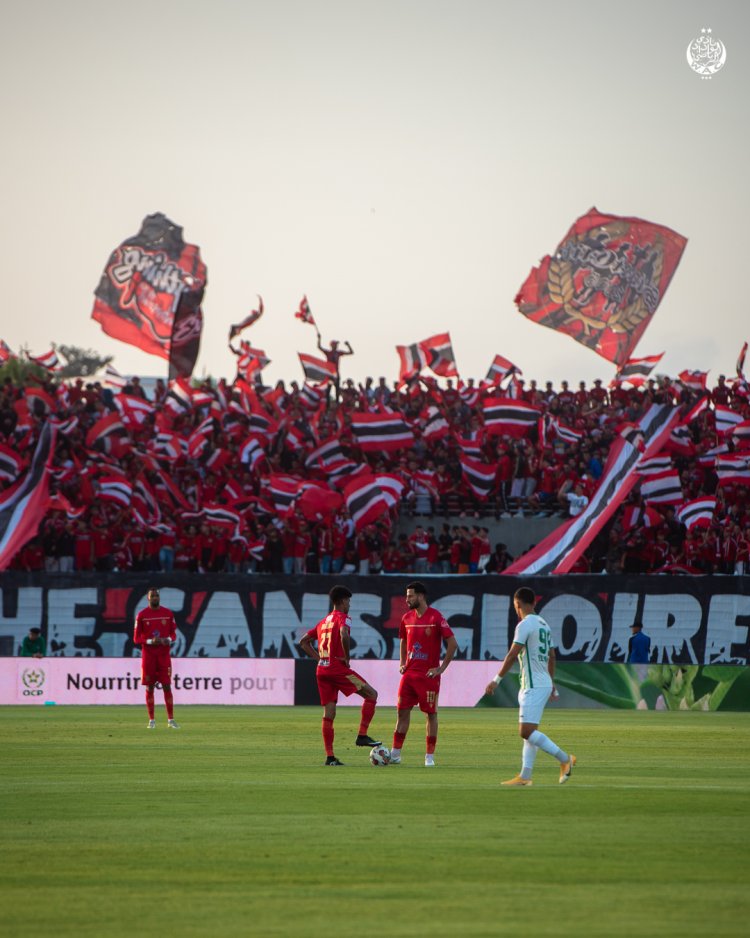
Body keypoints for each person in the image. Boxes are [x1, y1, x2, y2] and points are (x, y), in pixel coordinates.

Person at [484, 587, 575, 786]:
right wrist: (551, 683)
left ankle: (565, 759)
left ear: (518, 605)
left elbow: (511, 654)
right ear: (534, 602)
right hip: (539, 684)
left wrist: (496, 680)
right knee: (530, 732)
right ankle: (525, 776)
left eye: (515, 607)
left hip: (533, 686)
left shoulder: (525, 625)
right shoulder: (544, 625)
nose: (516, 610)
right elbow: (552, 657)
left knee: (525, 731)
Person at [298, 585, 381, 766]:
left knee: (329, 713)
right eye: (349, 601)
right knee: (372, 694)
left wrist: (319, 658)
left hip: (322, 670)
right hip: (338, 669)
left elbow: (303, 642)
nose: (349, 605)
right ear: (343, 601)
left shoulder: (323, 622)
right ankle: (362, 735)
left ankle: (330, 757)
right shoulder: (344, 618)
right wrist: (347, 657)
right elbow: (344, 634)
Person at [391, 581, 458, 767]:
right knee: (402, 713)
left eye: (410, 595)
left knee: (430, 715)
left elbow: (453, 644)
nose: (407, 599)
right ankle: (395, 754)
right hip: (409, 675)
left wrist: (441, 669)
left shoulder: (436, 617)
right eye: (406, 595)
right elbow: (403, 641)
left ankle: (429, 756)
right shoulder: (406, 618)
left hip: (428, 677)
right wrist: (402, 662)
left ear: (421, 596)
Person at [133, 587, 179, 729]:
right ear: (148, 598)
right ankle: (151, 720)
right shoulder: (141, 615)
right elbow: (136, 638)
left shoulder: (168, 614)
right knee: (149, 687)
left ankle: (170, 720)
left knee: (167, 686)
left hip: (164, 656)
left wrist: (168, 640)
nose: (155, 598)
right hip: (149, 656)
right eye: (152, 596)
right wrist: (149, 641)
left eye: (156, 596)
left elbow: (174, 634)